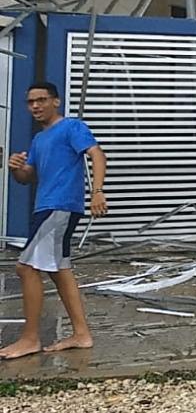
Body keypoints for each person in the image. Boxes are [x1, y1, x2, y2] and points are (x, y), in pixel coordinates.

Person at [0, 82, 107, 360]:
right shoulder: (39, 139)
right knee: (59, 270)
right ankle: (81, 334)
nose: (35, 106)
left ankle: (30, 338)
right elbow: (29, 178)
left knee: (25, 268)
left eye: (41, 100)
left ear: (56, 101)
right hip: (45, 207)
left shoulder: (71, 127)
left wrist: (97, 192)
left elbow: (97, 154)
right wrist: (17, 169)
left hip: (60, 207)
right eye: (30, 102)